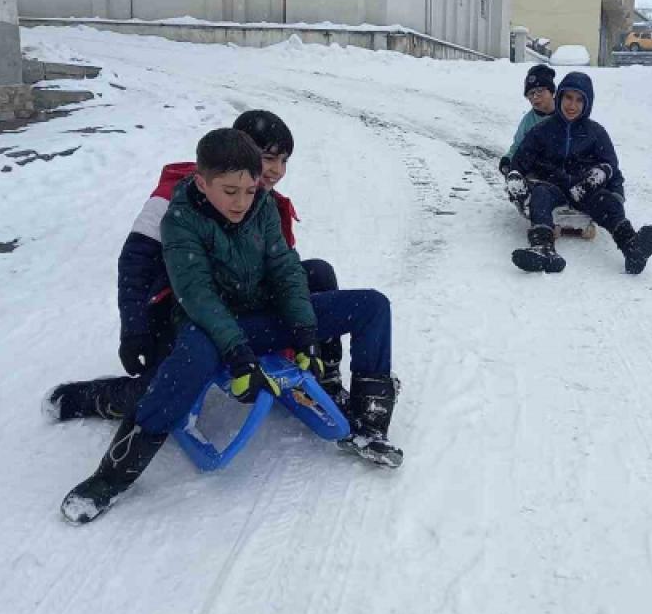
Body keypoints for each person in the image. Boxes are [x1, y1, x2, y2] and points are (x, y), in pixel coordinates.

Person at [61, 128, 403, 524]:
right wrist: (237, 351)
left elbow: (285, 270)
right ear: (202, 183)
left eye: (249, 189)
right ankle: (113, 475)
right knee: (186, 366)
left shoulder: (262, 206)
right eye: (230, 191)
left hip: (261, 314)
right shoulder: (178, 219)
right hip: (207, 323)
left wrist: (306, 331)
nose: (242, 201)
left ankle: (370, 422)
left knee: (373, 306)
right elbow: (197, 294)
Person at [44, 111, 348, 425]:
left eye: (283, 161)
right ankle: (95, 398)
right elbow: (136, 263)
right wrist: (134, 327)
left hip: (238, 303)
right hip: (186, 307)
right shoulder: (177, 197)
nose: (276, 171)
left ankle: (326, 382)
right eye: (267, 158)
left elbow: (282, 270)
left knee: (318, 272)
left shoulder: (260, 201)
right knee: (165, 391)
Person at [505, 71, 652, 275]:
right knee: (540, 197)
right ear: (559, 96)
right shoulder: (542, 130)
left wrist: (616, 194)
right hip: (552, 186)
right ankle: (542, 247)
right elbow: (522, 158)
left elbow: (611, 166)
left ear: (588, 103)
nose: (572, 105)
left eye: (579, 100)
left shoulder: (596, 132)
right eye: (568, 97)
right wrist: (515, 174)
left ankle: (632, 247)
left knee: (607, 202)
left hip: (583, 188)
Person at [498, 64, 558, 215]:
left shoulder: (565, 113)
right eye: (530, 94)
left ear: (552, 91)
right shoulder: (528, 121)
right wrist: (507, 159)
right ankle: (524, 195)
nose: (535, 97)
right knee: (526, 171)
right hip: (538, 168)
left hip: (562, 165)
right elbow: (518, 145)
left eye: (539, 91)